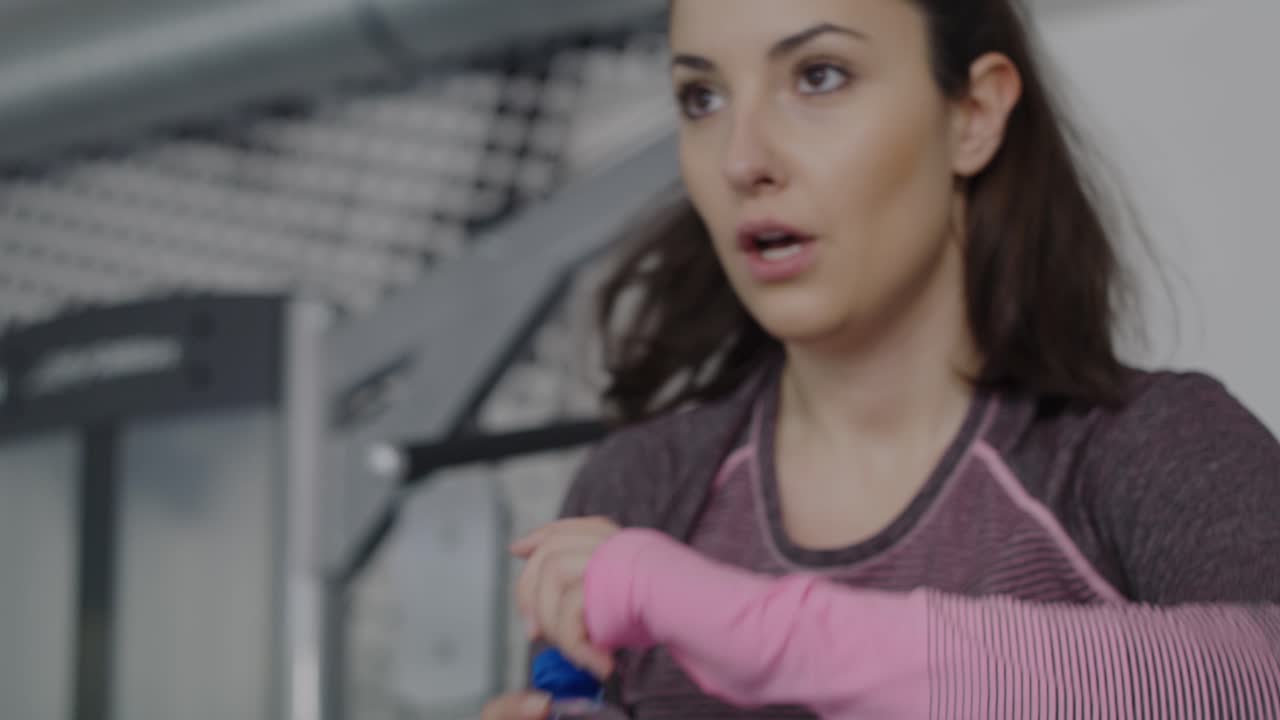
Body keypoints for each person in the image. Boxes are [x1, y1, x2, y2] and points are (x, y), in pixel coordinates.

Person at [483, 0, 1280, 717]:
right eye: (703, 97)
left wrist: (766, 633)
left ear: (973, 113)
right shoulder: (636, 490)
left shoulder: (1149, 450)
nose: (741, 158)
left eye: (819, 76)